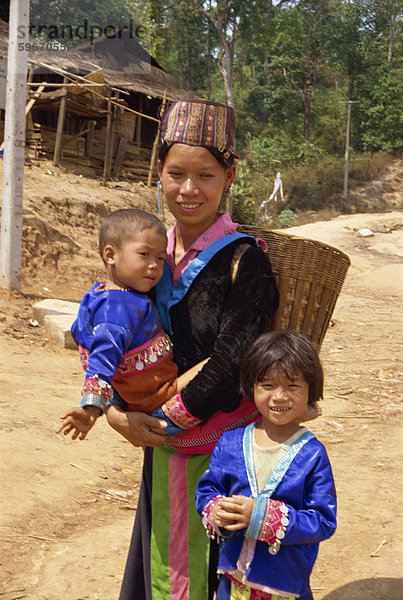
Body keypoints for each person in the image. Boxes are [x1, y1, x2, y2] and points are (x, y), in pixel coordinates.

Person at [105, 99, 280, 600]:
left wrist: (161, 419)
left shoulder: (245, 260)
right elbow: (119, 346)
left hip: (223, 455)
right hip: (161, 451)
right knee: (164, 569)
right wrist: (119, 415)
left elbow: (236, 359)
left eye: (204, 175)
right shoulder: (148, 257)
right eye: (175, 173)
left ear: (229, 175)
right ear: (157, 171)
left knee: (211, 576)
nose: (188, 189)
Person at [195, 330, 337, 600]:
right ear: (251, 387)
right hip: (233, 583)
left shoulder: (312, 455)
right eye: (268, 385)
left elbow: (323, 520)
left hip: (283, 584)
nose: (280, 396)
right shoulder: (231, 443)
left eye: (292, 386)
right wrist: (219, 512)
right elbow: (207, 490)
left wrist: (261, 517)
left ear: (311, 390)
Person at [57, 208, 206, 441]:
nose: (155, 265)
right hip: (156, 393)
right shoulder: (118, 310)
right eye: (144, 254)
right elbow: (102, 359)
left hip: (133, 392)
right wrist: (91, 410)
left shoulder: (97, 293)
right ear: (110, 255)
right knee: (216, 363)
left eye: (159, 257)